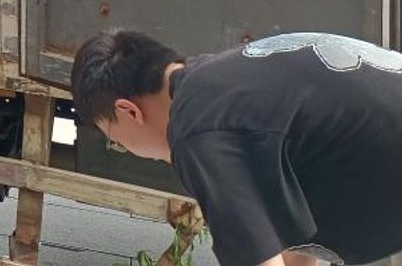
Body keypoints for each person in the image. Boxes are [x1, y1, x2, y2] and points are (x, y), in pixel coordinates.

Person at [71, 29, 402, 266]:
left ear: (129, 112)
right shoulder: (220, 84)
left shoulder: (197, 132)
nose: (126, 149)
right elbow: (285, 239)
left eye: (115, 138)